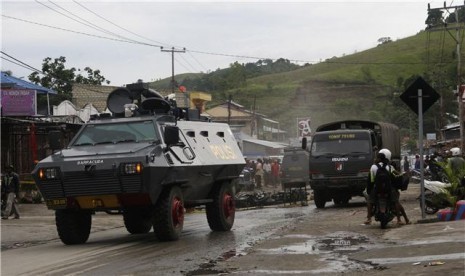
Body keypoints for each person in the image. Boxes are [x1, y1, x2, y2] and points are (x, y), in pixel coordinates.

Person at [364, 149, 409, 225]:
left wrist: (369, 190)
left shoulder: (373, 167)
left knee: (370, 201)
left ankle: (369, 218)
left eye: (376, 158)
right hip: (389, 189)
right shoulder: (389, 167)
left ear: (378, 158)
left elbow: (371, 180)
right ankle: (400, 219)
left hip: (377, 189)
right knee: (396, 202)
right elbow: (396, 177)